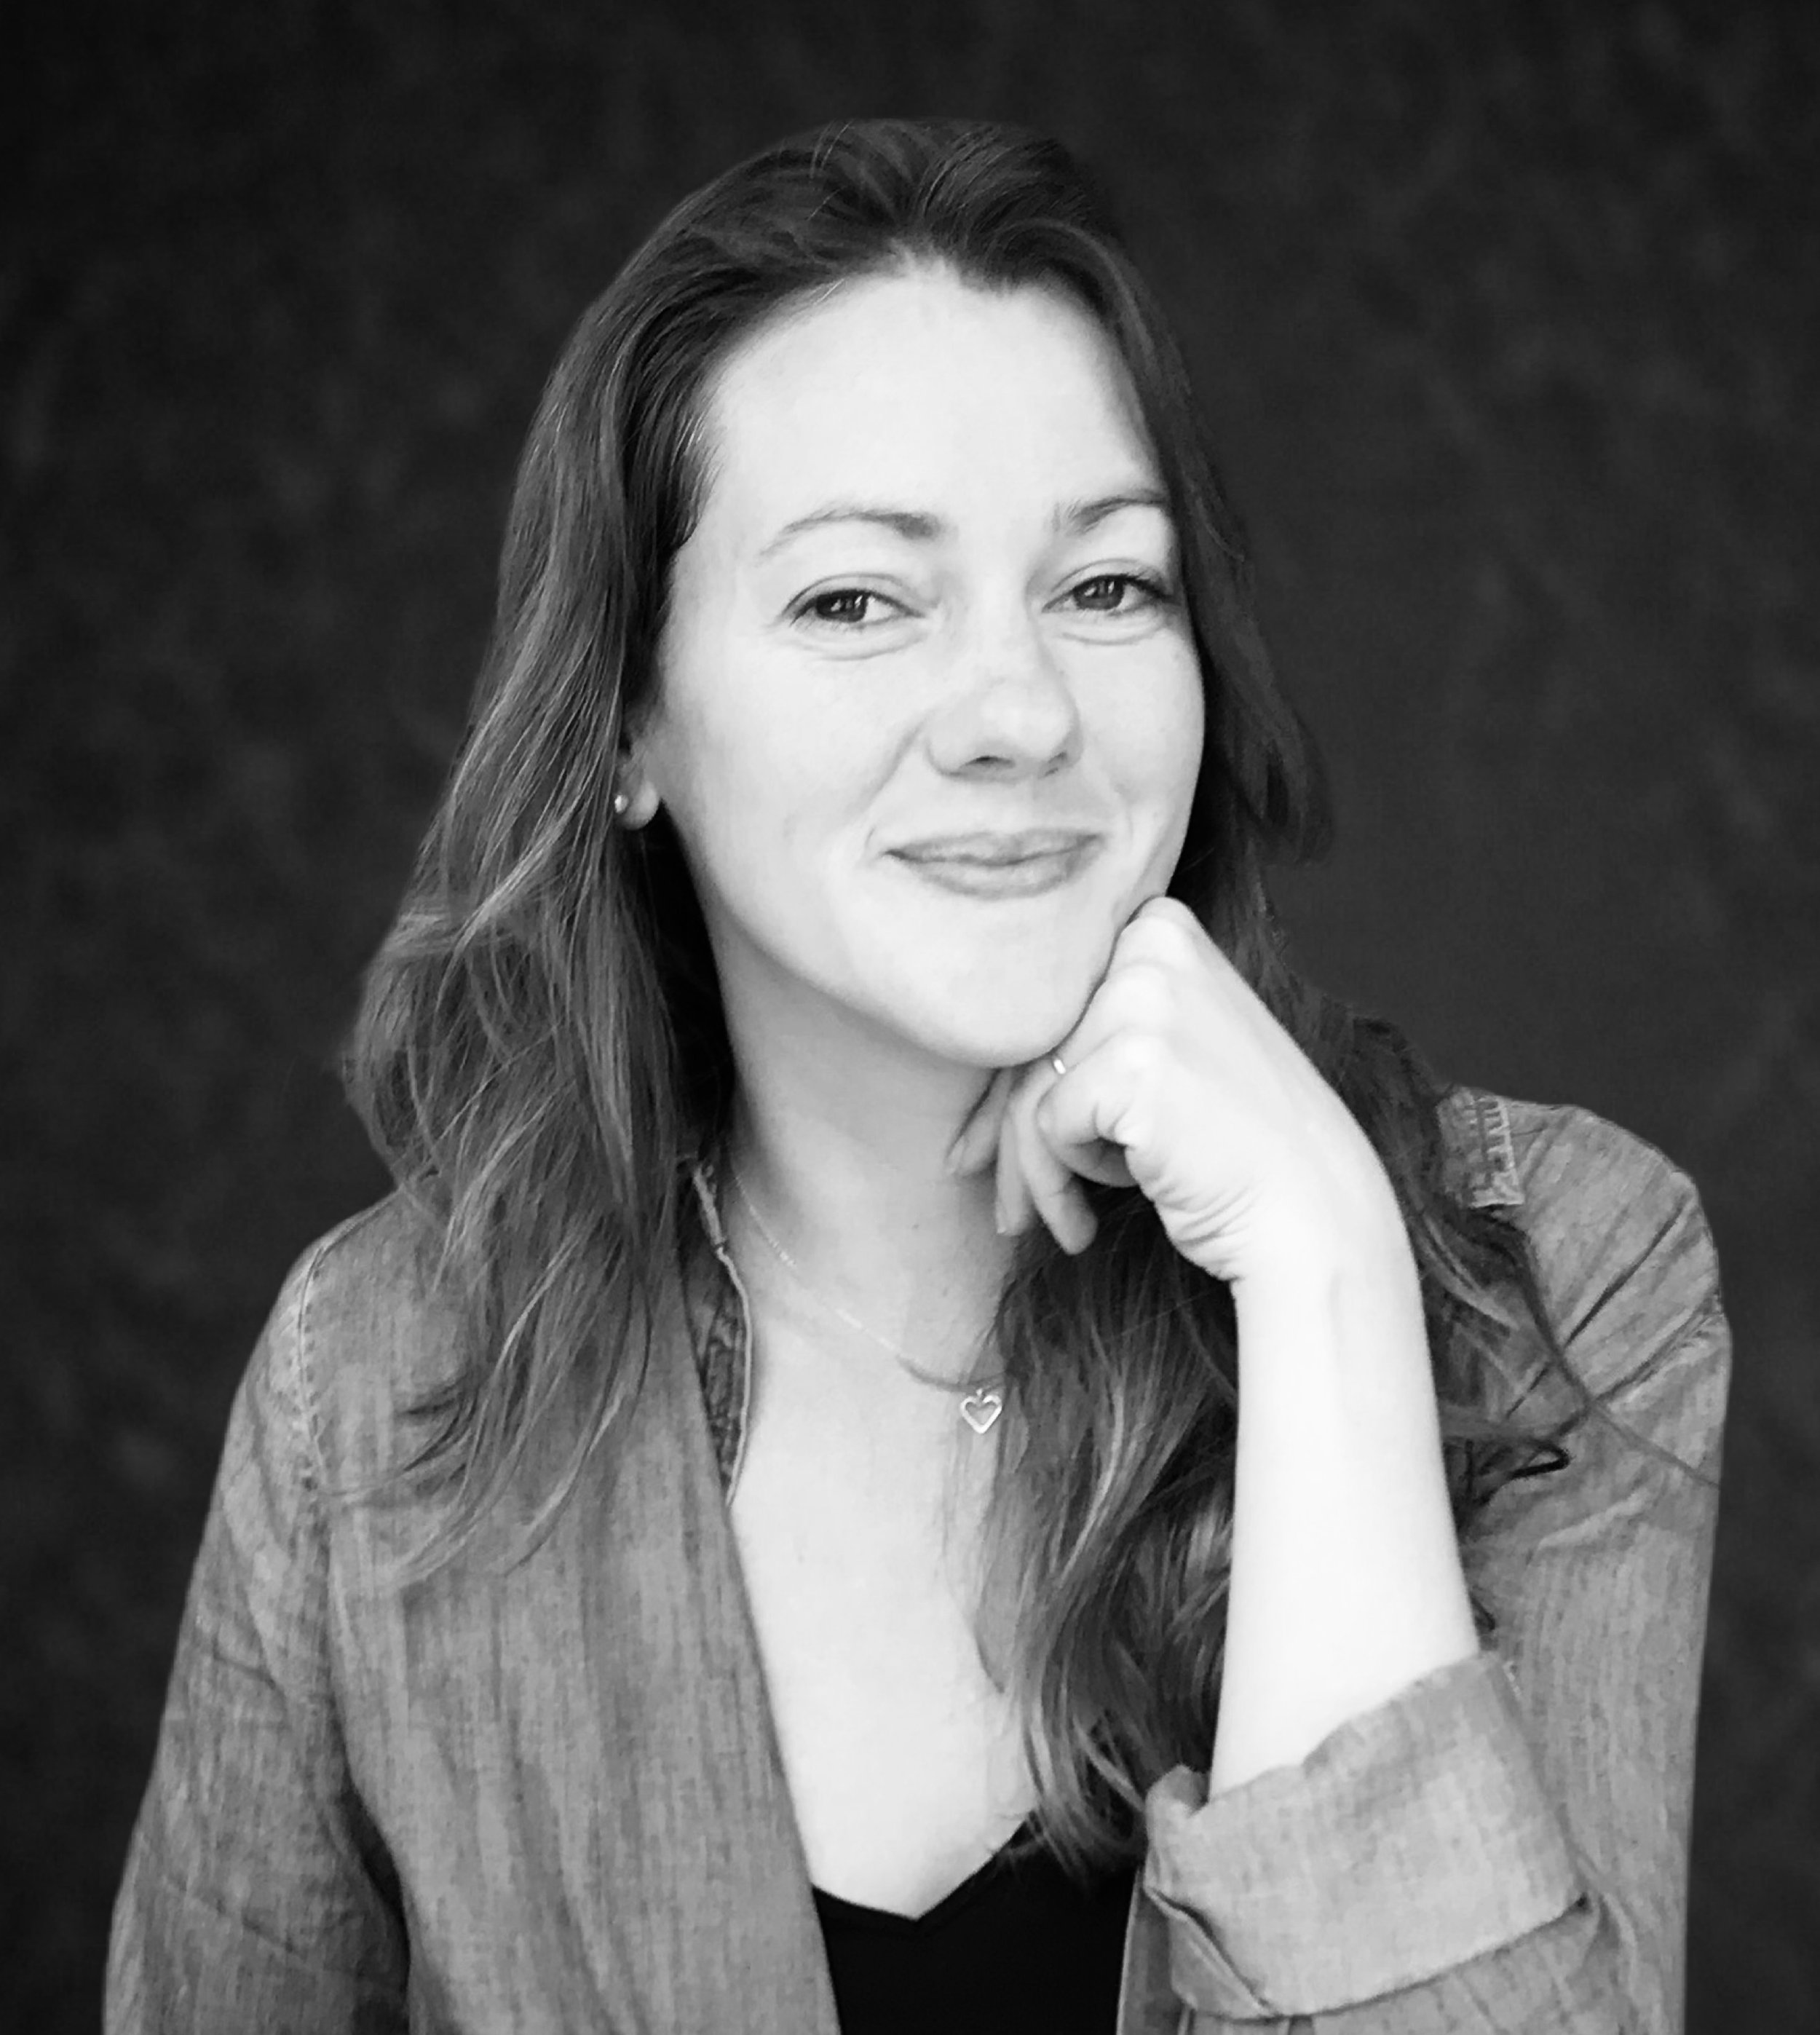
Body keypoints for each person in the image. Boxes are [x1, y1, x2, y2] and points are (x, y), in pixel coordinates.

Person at [105, 118, 1730, 2035]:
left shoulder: (1562, 1272)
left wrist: (1325, 1284)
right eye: (856, 599)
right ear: (625, 722)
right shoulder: (370, 1382)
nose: (1017, 712)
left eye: (1105, 587)